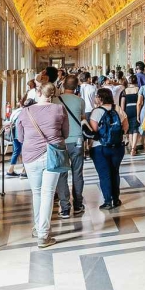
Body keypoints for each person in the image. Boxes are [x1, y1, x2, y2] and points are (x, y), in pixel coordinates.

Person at [16, 82, 69, 248]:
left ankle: (38, 227)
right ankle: (43, 234)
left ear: (38, 93)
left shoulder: (25, 112)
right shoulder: (59, 109)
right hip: (53, 155)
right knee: (48, 193)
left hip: (30, 156)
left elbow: (20, 137)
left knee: (37, 193)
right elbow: (66, 133)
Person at [54, 74, 87, 218]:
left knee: (62, 174)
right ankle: (78, 204)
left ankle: (65, 207)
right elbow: (82, 119)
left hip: (61, 140)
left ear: (63, 85)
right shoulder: (80, 101)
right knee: (77, 173)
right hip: (77, 140)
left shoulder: (55, 101)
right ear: (76, 87)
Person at [88, 87, 126, 211]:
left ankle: (108, 201)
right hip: (117, 146)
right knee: (115, 172)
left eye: (96, 96)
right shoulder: (117, 108)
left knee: (104, 174)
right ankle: (116, 199)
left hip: (100, 147)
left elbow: (94, 131)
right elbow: (125, 126)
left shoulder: (96, 112)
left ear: (100, 98)